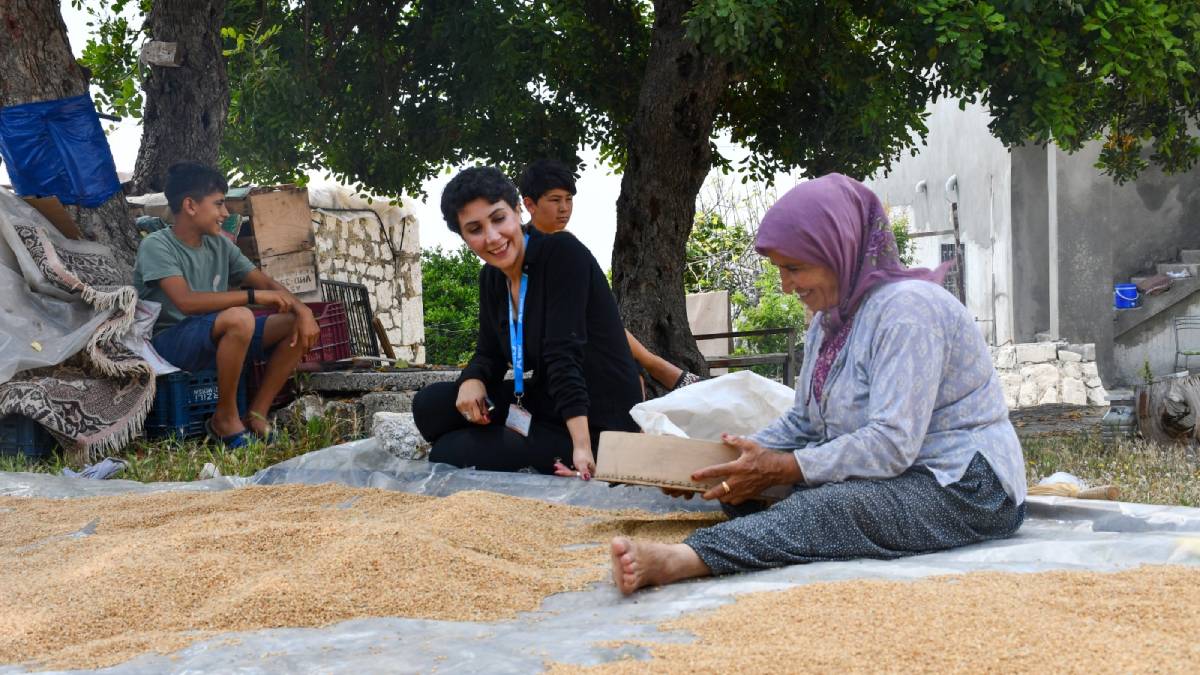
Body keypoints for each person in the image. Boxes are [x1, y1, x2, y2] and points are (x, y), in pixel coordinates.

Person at [610, 173, 1027, 594]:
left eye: (794, 268)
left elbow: (891, 444)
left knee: (830, 507)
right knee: (736, 492)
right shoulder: (829, 323)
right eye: (780, 269)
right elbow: (803, 424)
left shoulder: (907, 312)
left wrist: (790, 467)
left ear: (839, 250)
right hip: (897, 477)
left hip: (964, 487)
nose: (786, 286)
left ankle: (686, 558)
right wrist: (710, 465)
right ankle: (758, 520)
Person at [412, 167, 642, 478]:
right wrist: (472, 380)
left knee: (448, 452)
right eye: (475, 229)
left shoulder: (562, 254)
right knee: (431, 406)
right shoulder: (492, 278)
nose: (493, 238)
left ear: (518, 210)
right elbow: (489, 353)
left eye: (498, 219)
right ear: (463, 237)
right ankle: (512, 444)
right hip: (543, 401)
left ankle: (555, 450)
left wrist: (583, 447)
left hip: (595, 418)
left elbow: (563, 356)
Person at [134, 162, 321, 447]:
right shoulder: (157, 245)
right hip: (169, 343)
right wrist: (252, 298)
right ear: (190, 206)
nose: (225, 213)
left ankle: (257, 414)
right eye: (219, 204)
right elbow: (186, 303)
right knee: (240, 317)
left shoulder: (220, 245)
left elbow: (267, 284)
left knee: (293, 324)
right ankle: (225, 418)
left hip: (214, 334)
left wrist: (303, 310)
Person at [518, 158, 702, 393]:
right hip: (550, 340)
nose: (564, 208)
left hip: (583, 333)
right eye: (555, 200)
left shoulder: (568, 243)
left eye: (569, 200)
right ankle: (655, 365)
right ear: (530, 205)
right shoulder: (521, 248)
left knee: (604, 326)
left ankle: (653, 365)